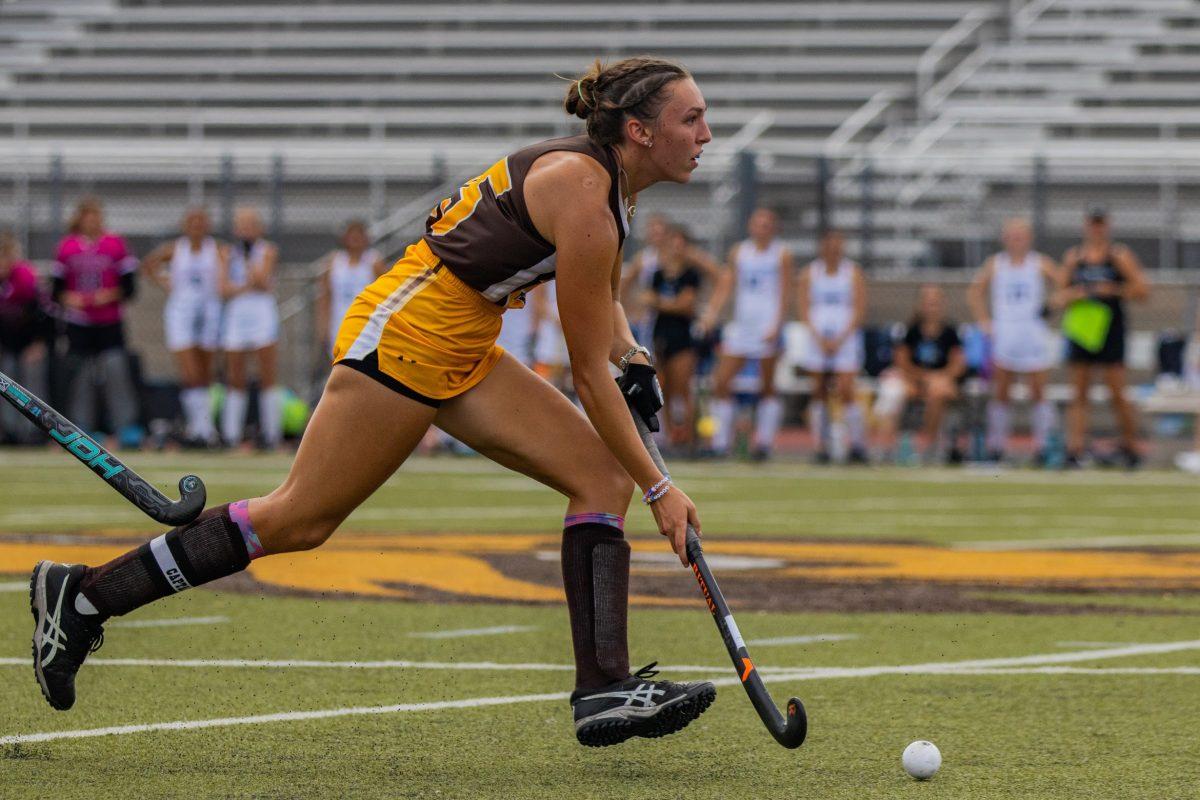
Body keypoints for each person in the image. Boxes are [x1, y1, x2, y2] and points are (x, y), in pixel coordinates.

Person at [30, 56, 714, 749]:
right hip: (409, 333)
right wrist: (660, 487)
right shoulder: (584, 187)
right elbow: (586, 377)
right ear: (640, 130)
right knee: (299, 518)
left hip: (461, 338)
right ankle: (84, 597)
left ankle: (603, 690)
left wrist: (632, 353)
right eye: (691, 118)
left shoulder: (609, 185)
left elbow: (600, 305)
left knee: (599, 477)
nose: (706, 134)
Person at [699, 208, 794, 460]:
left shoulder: (780, 254)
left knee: (767, 386)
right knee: (721, 382)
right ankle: (720, 443)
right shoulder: (740, 252)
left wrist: (777, 324)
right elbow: (727, 284)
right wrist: (712, 311)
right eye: (757, 223)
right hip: (742, 325)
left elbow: (785, 292)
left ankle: (763, 443)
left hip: (766, 325)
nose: (761, 228)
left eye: (766, 224)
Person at [1058, 207, 1149, 469]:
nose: (1096, 230)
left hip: (1111, 330)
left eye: (1101, 225)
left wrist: (1113, 290)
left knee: (1117, 393)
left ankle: (1131, 446)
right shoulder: (1075, 258)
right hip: (1083, 331)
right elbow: (1060, 295)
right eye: (1092, 225)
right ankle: (1074, 449)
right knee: (1079, 393)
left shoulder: (1118, 256)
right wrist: (1077, 294)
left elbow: (1142, 290)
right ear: (1086, 227)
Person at [967, 218, 1060, 464]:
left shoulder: (1040, 263)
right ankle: (996, 446)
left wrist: (1051, 306)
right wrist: (984, 320)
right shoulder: (995, 264)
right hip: (1005, 332)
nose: (1016, 240)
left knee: (1038, 391)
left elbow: (1064, 285)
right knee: (1001, 391)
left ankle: (1042, 446)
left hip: (1032, 333)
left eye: (1021, 235)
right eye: (1012, 235)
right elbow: (975, 292)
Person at [51, 197, 141, 449]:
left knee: (116, 373)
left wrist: (109, 295)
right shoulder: (67, 247)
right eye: (87, 216)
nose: (92, 221)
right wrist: (70, 298)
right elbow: (56, 289)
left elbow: (129, 287)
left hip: (109, 321)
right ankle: (81, 429)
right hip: (79, 323)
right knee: (81, 377)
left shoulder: (115, 244)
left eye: (96, 216)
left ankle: (125, 428)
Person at [140, 208, 224, 447]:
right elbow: (148, 266)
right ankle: (198, 426)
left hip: (208, 312)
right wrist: (164, 282)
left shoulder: (216, 250)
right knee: (189, 372)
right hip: (181, 313)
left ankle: (204, 428)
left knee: (206, 372)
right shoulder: (175, 249)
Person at [796, 228, 867, 463]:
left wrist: (840, 338)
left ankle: (856, 445)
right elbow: (805, 308)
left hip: (844, 340)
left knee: (847, 390)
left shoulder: (852, 273)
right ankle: (821, 446)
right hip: (818, 339)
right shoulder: (811, 273)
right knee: (819, 392)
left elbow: (858, 308)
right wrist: (818, 336)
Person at [874, 285, 966, 462]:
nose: (932, 307)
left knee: (939, 393)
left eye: (935, 303)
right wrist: (923, 378)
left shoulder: (950, 332)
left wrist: (940, 377)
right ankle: (886, 448)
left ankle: (929, 446)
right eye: (928, 303)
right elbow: (901, 362)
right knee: (894, 393)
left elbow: (958, 364)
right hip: (914, 380)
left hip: (939, 382)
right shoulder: (910, 331)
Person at [218, 207, 283, 450]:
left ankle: (271, 434)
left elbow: (262, 281)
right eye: (241, 225)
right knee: (235, 375)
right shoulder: (226, 253)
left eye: (250, 225)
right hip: (237, 315)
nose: (245, 230)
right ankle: (231, 434)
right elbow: (223, 289)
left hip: (262, 313)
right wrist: (245, 286)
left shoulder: (267, 250)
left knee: (267, 374)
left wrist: (246, 267)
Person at [645, 224, 703, 451]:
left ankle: (689, 438)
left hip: (682, 335)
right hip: (661, 333)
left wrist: (660, 303)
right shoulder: (658, 274)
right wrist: (670, 304)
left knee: (683, 388)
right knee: (664, 388)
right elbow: (646, 298)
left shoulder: (690, 274)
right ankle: (669, 438)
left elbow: (686, 305)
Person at [0, 232, 50, 444]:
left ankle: (33, 431)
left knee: (31, 378)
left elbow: (42, 314)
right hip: (5, 343)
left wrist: (39, 343)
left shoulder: (25, 277)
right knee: (5, 376)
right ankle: (9, 431)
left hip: (29, 342)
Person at [316, 219, 386, 359]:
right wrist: (323, 327)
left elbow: (385, 294)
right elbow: (325, 297)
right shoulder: (333, 262)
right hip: (339, 322)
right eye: (351, 235)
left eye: (359, 235)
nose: (355, 239)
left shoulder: (374, 261)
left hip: (367, 323)